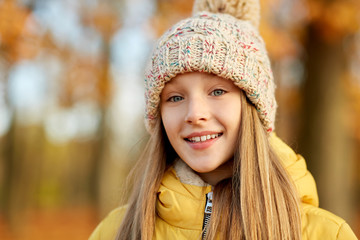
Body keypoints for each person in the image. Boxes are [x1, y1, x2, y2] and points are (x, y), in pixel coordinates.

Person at [89, 0, 358, 239]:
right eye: (175, 98)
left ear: (253, 106)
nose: (195, 114)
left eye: (217, 91)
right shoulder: (117, 231)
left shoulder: (326, 234)